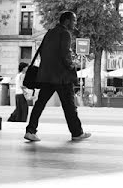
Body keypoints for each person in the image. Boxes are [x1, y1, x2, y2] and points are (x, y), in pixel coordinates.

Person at [23, 11, 91, 142]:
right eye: (74, 20)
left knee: (40, 103)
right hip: (62, 77)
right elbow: (65, 54)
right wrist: (72, 66)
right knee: (69, 106)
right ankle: (77, 132)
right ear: (66, 21)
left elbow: (43, 52)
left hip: (47, 76)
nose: (75, 23)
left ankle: (30, 130)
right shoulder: (64, 33)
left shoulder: (50, 32)